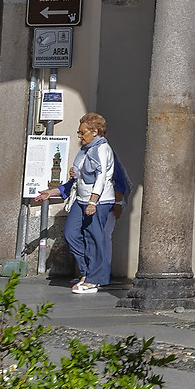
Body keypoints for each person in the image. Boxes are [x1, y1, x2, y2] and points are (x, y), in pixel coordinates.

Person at [57, 112, 117, 294]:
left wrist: (93, 201)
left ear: (96, 131)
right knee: (70, 233)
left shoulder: (102, 149)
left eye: (83, 132)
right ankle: (86, 271)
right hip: (80, 199)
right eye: (79, 132)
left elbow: (101, 177)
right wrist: (75, 172)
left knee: (94, 238)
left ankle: (93, 279)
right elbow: (82, 170)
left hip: (98, 200)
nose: (80, 136)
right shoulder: (86, 149)